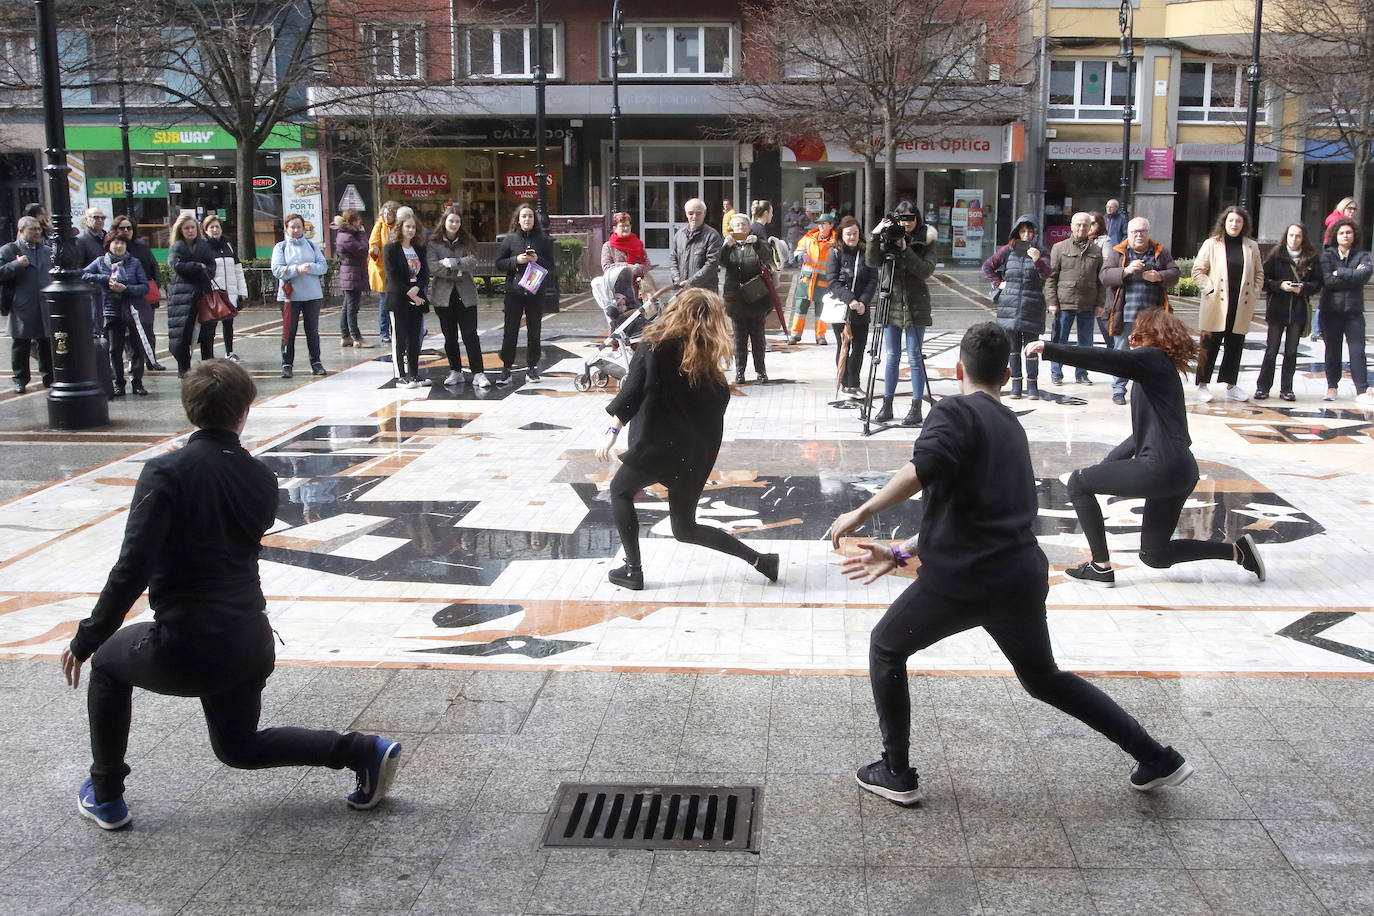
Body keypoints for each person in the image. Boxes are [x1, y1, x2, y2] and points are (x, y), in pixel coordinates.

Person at [828, 322, 1194, 808]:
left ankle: (896, 771)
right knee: (1043, 678)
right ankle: (1157, 758)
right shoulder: (1011, 426)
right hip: (1018, 574)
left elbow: (925, 468)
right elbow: (974, 513)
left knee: (886, 647)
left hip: (966, 576)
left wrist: (863, 511)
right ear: (1006, 373)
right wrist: (899, 552)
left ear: (958, 369)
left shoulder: (953, 409)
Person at [61, 359, 402, 831]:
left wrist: (88, 637)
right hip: (248, 640)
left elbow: (133, 565)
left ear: (189, 410)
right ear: (244, 412)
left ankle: (106, 794)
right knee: (238, 748)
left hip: (185, 645)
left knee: (106, 665)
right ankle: (364, 751)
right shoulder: (260, 477)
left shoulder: (166, 472)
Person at [1027, 307, 1266, 587]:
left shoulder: (1152, 359)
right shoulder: (1160, 370)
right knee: (1155, 554)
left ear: (1151, 335)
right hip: (1181, 470)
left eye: (1137, 331)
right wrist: (1109, 463)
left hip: (1161, 467)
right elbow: (1141, 435)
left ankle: (1100, 567)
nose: (1132, 338)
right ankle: (1238, 551)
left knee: (1079, 483)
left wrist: (1051, 349)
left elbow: (1109, 359)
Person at [595, 288, 780, 591]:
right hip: (694, 454)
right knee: (685, 528)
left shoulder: (654, 345)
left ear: (678, 310)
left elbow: (632, 392)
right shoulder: (706, 355)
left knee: (619, 492)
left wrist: (612, 432)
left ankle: (633, 570)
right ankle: (761, 560)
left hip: (658, 447)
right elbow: (719, 403)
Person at [866, 202, 937, 426]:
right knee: (892, 355)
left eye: (911, 218)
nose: (906, 223)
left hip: (916, 303)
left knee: (915, 355)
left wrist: (906, 249)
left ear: (918, 219)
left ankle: (916, 407)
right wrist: (875, 236)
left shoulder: (925, 240)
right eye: (902, 218)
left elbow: (925, 271)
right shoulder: (887, 236)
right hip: (891, 302)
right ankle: (887, 404)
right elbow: (872, 261)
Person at [1100, 217, 1179, 406]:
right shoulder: (1118, 252)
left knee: (1151, 353)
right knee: (1122, 352)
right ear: (1128, 233)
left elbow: (1175, 273)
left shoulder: (1160, 251)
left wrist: (1159, 276)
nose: (1139, 235)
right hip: (1125, 314)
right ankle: (1119, 389)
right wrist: (1125, 271)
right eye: (1135, 231)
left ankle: (1145, 389)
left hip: (1153, 316)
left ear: (1148, 233)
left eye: (1143, 231)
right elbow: (1104, 276)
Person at [1191, 206, 1263, 403]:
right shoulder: (1211, 244)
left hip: (1240, 304)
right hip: (1216, 304)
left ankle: (1231, 385)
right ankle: (1203, 384)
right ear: (1224, 222)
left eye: (1238, 221)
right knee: (1209, 345)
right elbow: (1198, 271)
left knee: (1235, 346)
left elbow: (1259, 273)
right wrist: (1210, 288)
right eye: (1231, 221)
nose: (1234, 224)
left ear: (1244, 224)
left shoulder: (1251, 246)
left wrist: (1254, 292)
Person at [982, 214, 1051, 400]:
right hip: (1009, 307)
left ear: (1035, 233)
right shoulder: (1008, 250)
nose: (1027, 234)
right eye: (1023, 231)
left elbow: (1047, 274)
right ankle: (1015, 385)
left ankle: (1033, 385)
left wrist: (1037, 260)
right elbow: (987, 267)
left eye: (1030, 231)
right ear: (1017, 232)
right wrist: (999, 283)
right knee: (1012, 348)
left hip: (1032, 306)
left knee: (1031, 348)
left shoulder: (1042, 251)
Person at [1256, 223, 1321, 402]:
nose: (1294, 239)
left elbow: (1318, 283)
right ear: (1286, 236)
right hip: (1277, 308)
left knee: (1291, 351)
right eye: (1291, 235)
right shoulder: (1277, 255)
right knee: (1271, 350)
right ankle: (1262, 387)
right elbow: (1263, 279)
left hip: (1298, 310)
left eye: (1298, 236)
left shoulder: (1311, 258)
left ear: (1303, 238)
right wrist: (1279, 286)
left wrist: (1303, 288)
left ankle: (1287, 388)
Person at [427, 205, 489, 389]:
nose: (454, 224)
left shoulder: (467, 241)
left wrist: (449, 263)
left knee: (470, 335)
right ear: (444, 221)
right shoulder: (433, 243)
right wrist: (458, 270)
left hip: (466, 296)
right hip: (443, 298)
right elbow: (432, 267)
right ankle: (455, 370)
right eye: (450, 220)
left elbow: (472, 262)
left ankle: (478, 372)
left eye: (457, 221)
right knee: (450, 337)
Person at [83, 233, 150, 398]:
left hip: (132, 309)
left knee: (136, 348)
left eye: (122, 243)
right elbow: (84, 274)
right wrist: (107, 279)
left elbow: (144, 287)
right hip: (111, 310)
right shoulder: (100, 262)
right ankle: (119, 382)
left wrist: (125, 288)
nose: (119, 246)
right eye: (116, 243)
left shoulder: (134, 262)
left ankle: (137, 382)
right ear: (108, 245)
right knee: (114, 349)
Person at [495, 203, 555, 385]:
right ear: (518, 219)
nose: (527, 219)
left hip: (535, 292)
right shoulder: (510, 240)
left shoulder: (543, 240)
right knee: (510, 330)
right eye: (524, 216)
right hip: (514, 291)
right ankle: (506, 368)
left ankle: (532, 367)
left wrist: (538, 260)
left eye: (530, 216)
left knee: (534, 330)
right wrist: (516, 260)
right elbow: (499, 263)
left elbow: (551, 265)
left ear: (534, 219)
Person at [1318, 218, 1373, 404]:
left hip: (1354, 312)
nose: (1345, 235)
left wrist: (1339, 272)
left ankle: (1362, 390)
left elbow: (1364, 275)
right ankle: (1332, 387)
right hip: (1330, 311)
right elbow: (1327, 281)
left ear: (1354, 235)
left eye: (1349, 232)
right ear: (1336, 236)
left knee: (1357, 351)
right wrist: (1351, 274)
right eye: (1342, 233)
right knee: (1332, 350)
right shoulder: (1327, 255)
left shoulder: (1363, 255)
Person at [1045, 212, 1104, 386]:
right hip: (1064, 302)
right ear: (1071, 226)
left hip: (1088, 302)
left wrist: (1100, 304)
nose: (1081, 228)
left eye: (1085, 225)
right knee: (1060, 341)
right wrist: (1052, 302)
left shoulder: (1096, 250)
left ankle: (1082, 373)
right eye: (1078, 225)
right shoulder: (1059, 248)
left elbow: (1101, 280)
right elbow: (1051, 277)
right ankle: (1056, 372)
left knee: (1086, 343)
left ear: (1090, 227)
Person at [270, 213, 328, 379]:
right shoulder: (280, 247)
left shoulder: (311, 246)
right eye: (292, 227)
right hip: (289, 297)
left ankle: (316, 362)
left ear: (304, 228)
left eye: (299, 227)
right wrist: (296, 269)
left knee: (312, 331)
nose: (296, 230)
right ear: (287, 229)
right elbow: (277, 270)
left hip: (312, 296)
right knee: (289, 331)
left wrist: (310, 268)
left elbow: (323, 266)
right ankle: (287, 364)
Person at [0, 216, 54, 394]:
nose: (37, 233)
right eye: (32, 230)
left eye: (38, 229)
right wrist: (16, 264)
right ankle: (20, 379)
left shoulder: (47, 250)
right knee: (21, 343)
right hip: (22, 303)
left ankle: (49, 377)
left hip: (44, 303)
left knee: (45, 342)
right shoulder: (9, 250)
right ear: (21, 231)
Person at [825, 216, 876, 396]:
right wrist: (851, 300)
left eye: (855, 233)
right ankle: (845, 382)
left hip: (861, 309)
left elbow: (872, 279)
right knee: (844, 345)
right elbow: (832, 281)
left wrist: (863, 302)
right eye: (848, 234)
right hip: (841, 309)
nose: (852, 237)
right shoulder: (835, 253)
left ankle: (855, 383)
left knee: (860, 346)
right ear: (841, 234)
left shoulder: (866, 252)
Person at [721, 213, 773, 384]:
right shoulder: (729, 244)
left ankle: (761, 371)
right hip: (736, 299)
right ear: (732, 228)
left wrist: (757, 243)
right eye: (737, 226)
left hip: (756, 296)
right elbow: (720, 263)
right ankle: (740, 372)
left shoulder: (756, 242)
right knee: (739, 338)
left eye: (744, 225)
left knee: (758, 337)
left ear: (749, 227)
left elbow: (767, 257)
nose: (741, 228)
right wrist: (726, 247)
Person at [108, 215, 164, 371]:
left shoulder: (141, 245)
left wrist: (156, 284)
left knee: (147, 328)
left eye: (129, 228)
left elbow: (153, 266)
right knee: (128, 332)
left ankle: (151, 359)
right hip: (123, 296)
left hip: (144, 294)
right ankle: (133, 361)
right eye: (122, 228)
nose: (126, 231)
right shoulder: (114, 247)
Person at [384, 209, 430, 389]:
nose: (411, 230)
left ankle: (414, 373)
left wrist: (417, 290)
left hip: (417, 298)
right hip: (399, 299)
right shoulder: (391, 248)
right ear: (400, 227)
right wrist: (409, 293)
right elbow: (392, 276)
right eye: (407, 227)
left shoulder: (419, 248)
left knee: (414, 338)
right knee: (399, 338)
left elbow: (424, 273)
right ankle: (400, 376)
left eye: (413, 227)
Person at [166, 213, 216, 378]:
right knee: (182, 337)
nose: (190, 231)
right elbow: (178, 267)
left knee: (207, 336)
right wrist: (198, 266)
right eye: (186, 228)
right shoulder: (176, 247)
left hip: (203, 295)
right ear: (180, 230)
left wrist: (197, 268)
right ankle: (184, 373)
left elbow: (211, 268)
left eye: (192, 227)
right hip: (181, 298)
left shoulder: (204, 245)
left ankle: (208, 372)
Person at [200, 215, 247, 363]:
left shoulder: (228, 245)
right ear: (206, 230)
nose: (215, 230)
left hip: (229, 293)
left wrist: (242, 291)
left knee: (229, 324)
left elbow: (238, 269)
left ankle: (230, 352)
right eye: (211, 227)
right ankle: (209, 355)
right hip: (213, 293)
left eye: (217, 227)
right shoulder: (203, 248)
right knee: (210, 326)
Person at [790, 211, 837, 344]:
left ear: (831, 225)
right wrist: (802, 256)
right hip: (806, 280)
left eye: (824, 224)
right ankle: (795, 334)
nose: (821, 226)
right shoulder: (809, 238)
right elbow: (798, 250)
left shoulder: (834, 242)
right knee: (800, 308)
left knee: (821, 310)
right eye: (819, 224)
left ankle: (820, 336)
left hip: (823, 281)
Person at [748, 199, 789, 332]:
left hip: (758, 274)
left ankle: (757, 338)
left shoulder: (756, 228)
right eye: (771, 212)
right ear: (766, 213)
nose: (772, 215)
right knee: (762, 307)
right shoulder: (758, 229)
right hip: (758, 275)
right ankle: (756, 338)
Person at [334, 210, 372, 349]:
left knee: (347, 307)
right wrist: (362, 234)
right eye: (356, 221)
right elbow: (362, 249)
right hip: (352, 274)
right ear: (350, 222)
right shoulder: (346, 236)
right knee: (352, 308)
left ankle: (345, 336)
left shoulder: (347, 234)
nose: (359, 223)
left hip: (353, 273)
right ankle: (356, 337)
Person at [668, 197, 723, 292]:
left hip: (705, 292)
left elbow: (712, 264)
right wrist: (676, 277)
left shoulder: (712, 236)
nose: (694, 216)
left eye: (698, 213)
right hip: (683, 290)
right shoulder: (679, 234)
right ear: (686, 214)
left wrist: (691, 282)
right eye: (690, 213)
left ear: (704, 214)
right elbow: (673, 258)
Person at [368, 200, 400, 344]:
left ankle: (396, 330)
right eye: (385, 214)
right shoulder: (379, 226)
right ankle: (384, 332)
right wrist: (374, 251)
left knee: (397, 302)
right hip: (382, 270)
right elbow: (373, 244)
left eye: (390, 214)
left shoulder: (399, 227)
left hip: (396, 270)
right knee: (385, 301)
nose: (387, 217)